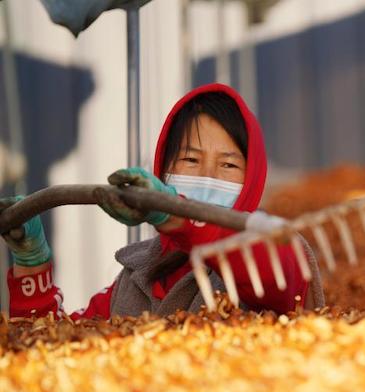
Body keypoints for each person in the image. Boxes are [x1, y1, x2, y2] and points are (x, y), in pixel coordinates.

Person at [2, 83, 308, 319]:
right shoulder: (135, 280)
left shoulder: (275, 246)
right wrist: (32, 266)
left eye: (228, 165)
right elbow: (53, 351)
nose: (207, 175)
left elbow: (276, 279)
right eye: (190, 159)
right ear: (164, 170)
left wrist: (178, 217)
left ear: (252, 176)